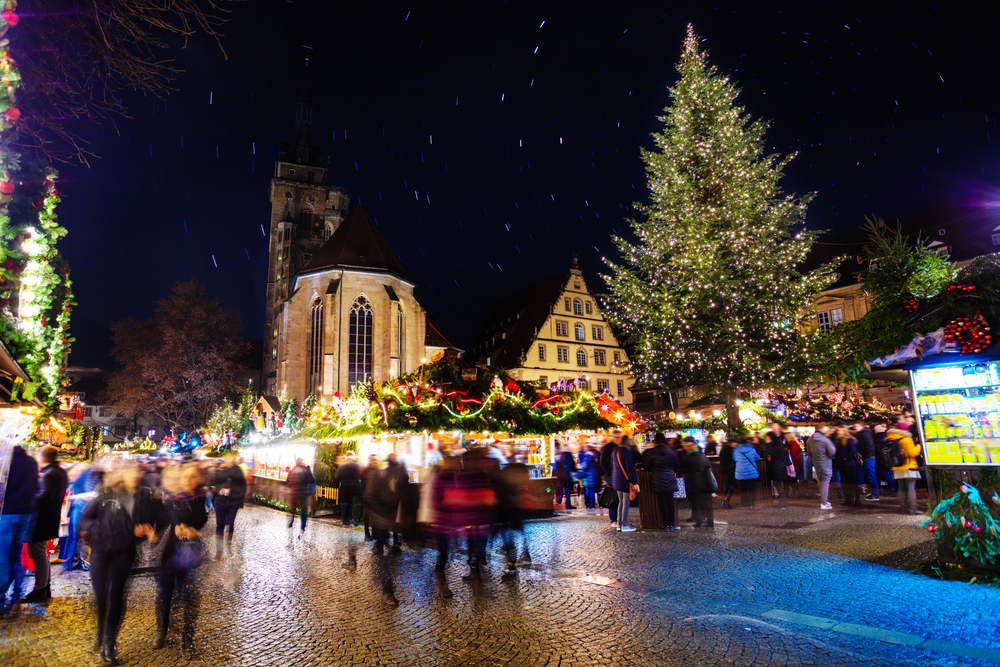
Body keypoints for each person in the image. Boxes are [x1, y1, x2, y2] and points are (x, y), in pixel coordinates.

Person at [79, 463, 157, 666]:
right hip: (101, 552)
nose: (134, 477)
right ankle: (100, 630)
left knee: (116, 596)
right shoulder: (105, 498)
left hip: (123, 553)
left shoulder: (143, 499)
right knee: (101, 597)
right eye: (130, 474)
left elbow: (149, 522)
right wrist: (99, 530)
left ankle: (109, 642)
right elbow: (84, 521)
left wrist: (143, 531)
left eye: (136, 474)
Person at [154, 463, 207, 659]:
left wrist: (192, 529)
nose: (189, 481)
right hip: (169, 552)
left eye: (194, 477)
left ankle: (187, 639)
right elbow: (165, 515)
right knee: (164, 594)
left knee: (190, 596)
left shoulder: (198, 498)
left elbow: (202, 518)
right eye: (186, 477)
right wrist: (178, 525)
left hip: (189, 552)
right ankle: (161, 630)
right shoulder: (170, 497)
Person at [23, 446, 68, 603]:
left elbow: (44, 498)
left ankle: (40, 589)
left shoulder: (50, 474)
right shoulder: (59, 472)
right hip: (49, 519)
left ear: (43, 458)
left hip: (43, 520)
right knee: (41, 553)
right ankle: (44, 588)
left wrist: (28, 498)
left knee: (38, 554)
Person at [0, 445, 39, 611]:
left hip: (8, 513)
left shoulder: (6, 462)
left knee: (2, 558)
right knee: (17, 558)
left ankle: (1, 600)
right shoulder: (31, 462)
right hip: (27, 513)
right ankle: (15, 598)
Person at [60, 462, 100, 571]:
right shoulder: (83, 481)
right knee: (76, 537)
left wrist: (76, 497)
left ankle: (74, 561)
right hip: (79, 511)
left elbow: (91, 496)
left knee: (76, 537)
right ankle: (75, 561)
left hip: (80, 511)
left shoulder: (83, 481)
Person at [212, 451, 246, 560]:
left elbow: (243, 486)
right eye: (227, 457)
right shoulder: (220, 470)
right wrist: (218, 491)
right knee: (219, 525)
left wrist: (238, 500)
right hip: (220, 501)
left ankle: (228, 546)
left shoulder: (238, 470)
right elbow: (213, 485)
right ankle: (219, 550)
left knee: (231, 525)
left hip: (233, 502)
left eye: (231, 457)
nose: (230, 459)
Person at [642, 433, 679, 530]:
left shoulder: (652, 451)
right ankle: (672, 524)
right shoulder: (671, 450)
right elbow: (676, 466)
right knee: (670, 502)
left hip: (658, 479)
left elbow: (647, 465)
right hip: (670, 478)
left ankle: (665, 524)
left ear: (655, 440)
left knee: (662, 503)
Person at [888, 421, 922, 514]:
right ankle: (913, 509)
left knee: (901, 488)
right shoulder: (906, 439)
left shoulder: (890, 438)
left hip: (897, 467)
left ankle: (903, 507)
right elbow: (913, 453)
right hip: (908, 467)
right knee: (911, 487)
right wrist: (918, 447)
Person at [679, 438, 714, 527]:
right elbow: (709, 468)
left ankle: (698, 522)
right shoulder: (703, 457)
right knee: (708, 504)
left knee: (696, 504)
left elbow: (681, 469)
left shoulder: (688, 458)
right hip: (706, 484)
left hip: (695, 484)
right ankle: (710, 522)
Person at [610, 435, 639, 532]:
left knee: (621, 503)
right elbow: (629, 469)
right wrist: (634, 483)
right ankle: (624, 525)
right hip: (625, 480)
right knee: (626, 503)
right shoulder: (626, 451)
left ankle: (619, 524)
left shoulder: (615, 450)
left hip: (617, 480)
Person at [806, 426, 836, 510]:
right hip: (826, 463)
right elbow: (831, 452)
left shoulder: (809, 440)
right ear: (822, 430)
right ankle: (824, 503)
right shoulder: (825, 440)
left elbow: (808, 453)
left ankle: (824, 501)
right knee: (825, 483)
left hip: (817, 464)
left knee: (821, 482)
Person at [284, 458, 315, 532]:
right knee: (303, 509)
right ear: (302, 462)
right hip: (303, 493)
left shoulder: (292, 471)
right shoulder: (306, 470)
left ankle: (291, 521)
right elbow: (312, 480)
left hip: (294, 493)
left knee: (293, 508)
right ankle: (302, 526)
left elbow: (287, 483)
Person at [833, 426, 861, 506]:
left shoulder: (848, 440)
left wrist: (845, 458)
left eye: (839, 431)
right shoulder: (839, 441)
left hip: (849, 465)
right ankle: (848, 499)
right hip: (842, 465)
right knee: (845, 483)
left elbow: (854, 451)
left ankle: (857, 499)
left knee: (852, 483)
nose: (837, 432)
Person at [599, 432, 622, 527]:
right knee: (613, 497)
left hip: (620, 475)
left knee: (620, 497)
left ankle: (620, 519)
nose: (617, 439)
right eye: (616, 437)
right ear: (613, 437)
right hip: (612, 475)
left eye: (619, 437)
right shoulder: (608, 447)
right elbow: (602, 461)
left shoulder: (621, 447)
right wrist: (609, 473)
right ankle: (614, 520)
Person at [853, 421, 879, 501]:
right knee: (870, 477)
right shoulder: (864, 433)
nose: (855, 428)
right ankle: (874, 494)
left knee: (871, 477)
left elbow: (869, 446)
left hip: (868, 459)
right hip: (868, 458)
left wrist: (867, 456)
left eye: (856, 426)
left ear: (861, 426)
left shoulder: (865, 434)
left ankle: (875, 495)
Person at [765, 426, 790, 508]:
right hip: (779, 466)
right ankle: (782, 502)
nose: (766, 439)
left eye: (767, 437)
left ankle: (782, 503)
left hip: (778, 466)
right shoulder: (777, 443)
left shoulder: (776, 444)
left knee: (778, 485)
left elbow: (778, 454)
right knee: (778, 485)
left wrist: (770, 456)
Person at [336, 452, 363, 527]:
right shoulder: (357, 466)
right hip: (356, 488)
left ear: (346, 457)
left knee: (345, 505)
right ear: (353, 457)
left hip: (344, 488)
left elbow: (337, 478)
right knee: (356, 506)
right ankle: (355, 521)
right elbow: (361, 475)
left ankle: (345, 522)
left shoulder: (341, 466)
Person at [733, 437, 761, 508]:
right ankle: (752, 504)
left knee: (743, 489)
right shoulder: (752, 449)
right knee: (752, 489)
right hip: (751, 472)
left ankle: (745, 504)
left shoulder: (736, 450)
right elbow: (757, 457)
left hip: (740, 472)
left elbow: (734, 458)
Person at [361, 454, 380, 540]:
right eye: (373, 460)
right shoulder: (366, 471)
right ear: (370, 461)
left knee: (375, 516)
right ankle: (367, 533)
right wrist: (365, 495)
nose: (375, 461)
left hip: (376, 498)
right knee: (367, 516)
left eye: (376, 460)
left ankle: (375, 533)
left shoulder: (378, 471)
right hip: (368, 498)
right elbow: (362, 484)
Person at [554, 443, 578, 510]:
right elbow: (571, 465)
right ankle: (568, 504)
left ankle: (559, 501)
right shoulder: (568, 455)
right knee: (567, 490)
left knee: (560, 489)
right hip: (567, 475)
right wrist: (574, 471)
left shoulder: (561, 455)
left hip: (562, 476)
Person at [577, 443, 601, 509]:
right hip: (596, 474)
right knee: (597, 490)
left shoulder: (587, 455)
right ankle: (600, 503)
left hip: (590, 475)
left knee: (591, 490)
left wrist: (579, 467)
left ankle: (592, 504)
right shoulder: (595, 454)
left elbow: (585, 466)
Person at [718, 438, 738, 509]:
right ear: (730, 443)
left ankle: (726, 500)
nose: (735, 444)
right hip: (728, 470)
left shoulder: (724, 449)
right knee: (732, 485)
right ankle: (726, 500)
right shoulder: (729, 450)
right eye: (733, 442)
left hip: (724, 470)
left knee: (727, 485)